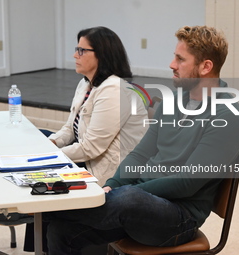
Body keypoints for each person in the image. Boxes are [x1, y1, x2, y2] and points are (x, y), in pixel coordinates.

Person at [38, 25, 239, 255]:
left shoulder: (229, 117)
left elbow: (187, 181)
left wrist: (125, 191)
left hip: (180, 217)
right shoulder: (172, 103)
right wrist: (113, 185)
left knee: (129, 198)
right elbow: (140, 154)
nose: (172, 64)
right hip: (139, 203)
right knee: (61, 231)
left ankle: (40, 209)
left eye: (180, 59)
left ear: (206, 66)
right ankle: (46, 208)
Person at [23, 26, 149, 253]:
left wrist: (49, 155)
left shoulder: (115, 90)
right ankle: (40, 245)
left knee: (42, 165)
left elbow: (92, 148)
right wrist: (51, 143)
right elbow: (70, 127)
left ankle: (44, 232)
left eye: (81, 50)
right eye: (76, 49)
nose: (74, 55)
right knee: (37, 138)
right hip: (89, 158)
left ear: (102, 54)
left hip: (108, 170)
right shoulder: (86, 83)